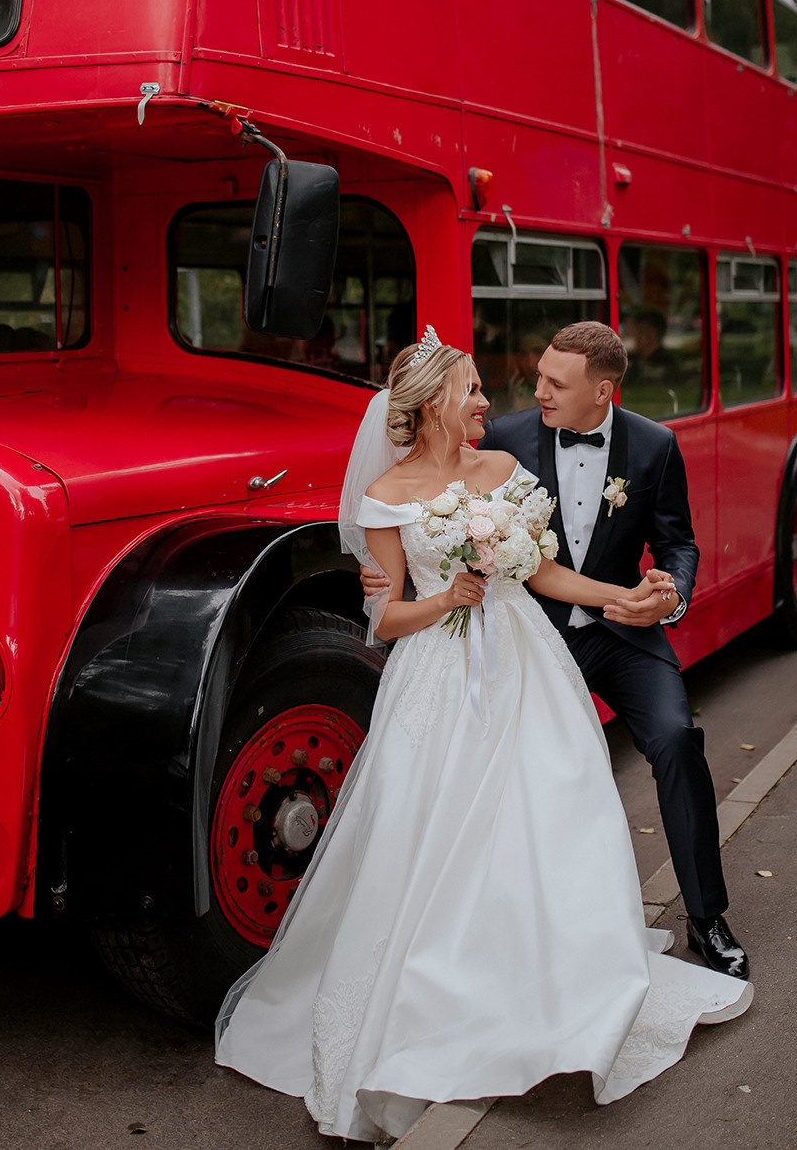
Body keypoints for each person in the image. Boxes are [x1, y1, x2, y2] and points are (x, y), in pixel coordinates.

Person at [216, 329, 752, 1144]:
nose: (494, 401)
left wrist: (634, 595)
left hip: (527, 663)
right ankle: (444, 996)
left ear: (600, 390)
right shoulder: (393, 492)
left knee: (561, 809)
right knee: (434, 839)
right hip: (439, 676)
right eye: (473, 389)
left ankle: (602, 956)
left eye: (536, 383)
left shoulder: (507, 470)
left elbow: (544, 572)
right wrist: (446, 598)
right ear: (437, 402)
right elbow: (385, 614)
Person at [449, 319, 746, 979]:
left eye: (557, 382)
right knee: (506, 765)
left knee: (676, 738)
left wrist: (670, 597)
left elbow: (678, 545)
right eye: (541, 375)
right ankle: (512, 927)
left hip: (621, 635)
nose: (539, 388)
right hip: (534, 633)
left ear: (604, 391)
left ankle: (706, 916)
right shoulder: (504, 438)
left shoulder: (656, 447)